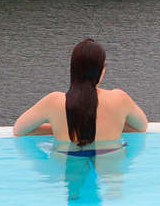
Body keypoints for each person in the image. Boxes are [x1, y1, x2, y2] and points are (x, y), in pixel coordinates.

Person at [13, 38, 148, 146]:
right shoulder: (119, 99)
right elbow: (142, 126)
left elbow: (19, 130)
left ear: (73, 68)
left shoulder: (54, 102)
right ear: (101, 68)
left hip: (67, 166)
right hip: (109, 169)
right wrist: (116, 124)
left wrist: (57, 127)